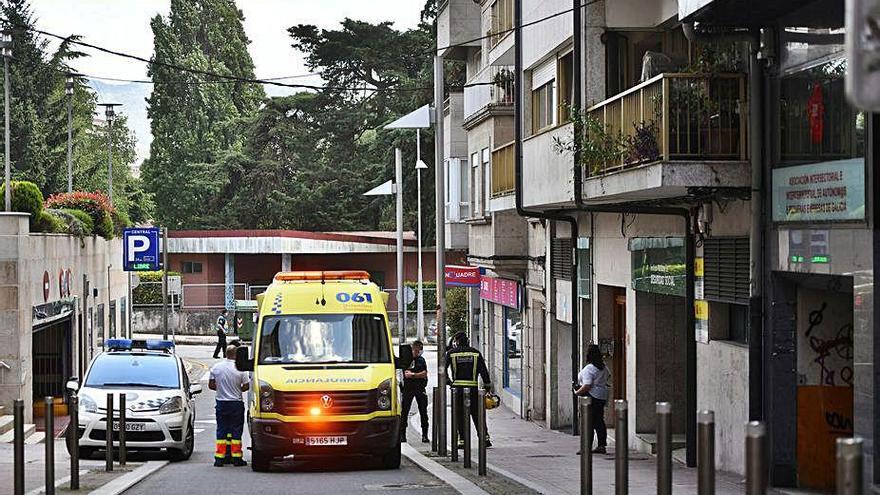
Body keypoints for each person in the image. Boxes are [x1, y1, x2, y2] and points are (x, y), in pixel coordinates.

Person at [446, 332, 492, 448]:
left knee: (460, 415)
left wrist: (448, 381)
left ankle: (462, 440)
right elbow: (483, 371)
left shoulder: (451, 353)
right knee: (477, 414)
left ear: (456, 342)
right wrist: (487, 386)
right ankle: (485, 438)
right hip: (472, 389)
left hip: (458, 390)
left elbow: (442, 368)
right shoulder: (475, 353)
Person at [209, 345, 250, 467]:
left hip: (221, 403)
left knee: (222, 430)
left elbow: (211, 385)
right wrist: (237, 389)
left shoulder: (216, 367)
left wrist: (221, 389)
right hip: (236, 403)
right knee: (236, 430)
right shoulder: (240, 369)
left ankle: (220, 458)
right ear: (236, 355)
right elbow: (246, 386)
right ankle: (236, 457)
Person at [574, 344, 610, 454]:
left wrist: (577, 392)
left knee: (588, 422)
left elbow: (587, 385)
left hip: (591, 397)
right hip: (602, 396)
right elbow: (608, 375)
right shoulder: (603, 367)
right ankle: (601, 445)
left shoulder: (589, 369)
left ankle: (586, 447)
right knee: (599, 421)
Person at [400, 340, 430, 443]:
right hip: (408, 388)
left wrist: (413, 375)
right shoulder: (406, 360)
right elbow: (404, 373)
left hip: (420, 388)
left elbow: (424, 373)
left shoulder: (421, 360)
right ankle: (402, 435)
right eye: (416, 350)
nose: (418, 352)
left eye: (420, 350)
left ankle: (425, 435)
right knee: (404, 412)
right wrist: (416, 374)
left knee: (423, 412)